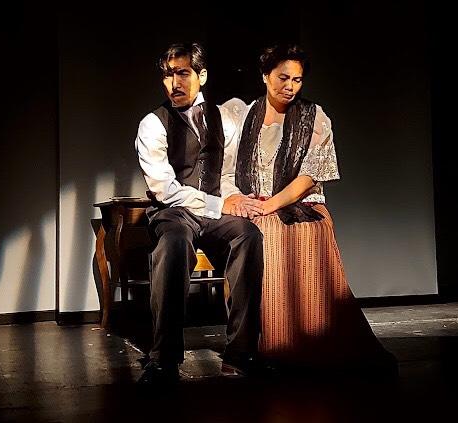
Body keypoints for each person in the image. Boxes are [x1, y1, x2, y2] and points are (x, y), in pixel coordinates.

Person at [228, 44, 397, 372]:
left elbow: (309, 177)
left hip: (300, 204)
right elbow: (224, 168)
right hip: (255, 203)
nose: (290, 86)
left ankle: (307, 338)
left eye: (297, 80)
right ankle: (268, 343)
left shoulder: (314, 117)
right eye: (282, 78)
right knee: (261, 233)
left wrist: (272, 204)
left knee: (301, 230)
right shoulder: (242, 115)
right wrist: (242, 201)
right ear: (265, 76)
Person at [135, 42, 264, 384]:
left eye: (182, 73)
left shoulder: (225, 117)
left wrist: (237, 201)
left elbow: (227, 174)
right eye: (167, 74)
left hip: (214, 208)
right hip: (175, 212)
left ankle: (241, 353)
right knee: (174, 243)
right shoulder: (152, 124)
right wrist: (219, 204)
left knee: (248, 235)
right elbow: (164, 189)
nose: (173, 83)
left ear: (201, 76)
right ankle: (163, 358)